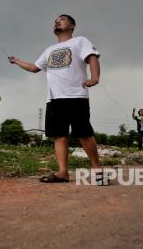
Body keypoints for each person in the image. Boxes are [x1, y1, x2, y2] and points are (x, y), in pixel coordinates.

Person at [8, 14, 104, 184]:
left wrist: (95, 77)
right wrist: (17, 61)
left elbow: (92, 58)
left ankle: (97, 170)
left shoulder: (80, 41)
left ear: (72, 26)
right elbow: (34, 68)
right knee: (59, 135)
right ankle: (62, 172)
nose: (57, 21)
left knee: (84, 133)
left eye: (62, 19)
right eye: (55, 20)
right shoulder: (49, 50)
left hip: (76, 95)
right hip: (54, 99)